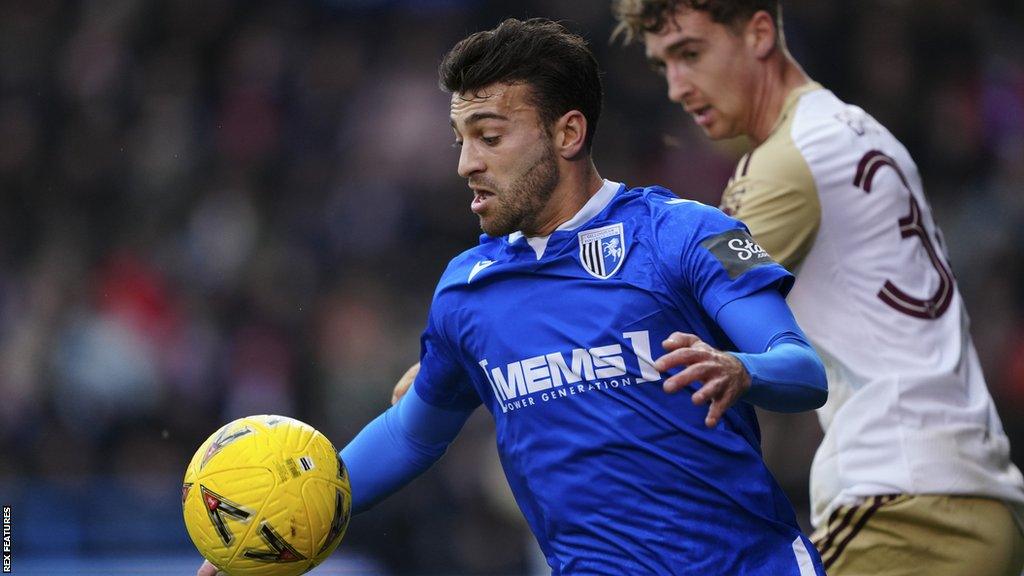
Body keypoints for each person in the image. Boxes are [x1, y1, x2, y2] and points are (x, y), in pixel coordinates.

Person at [194, 17, 828, 576]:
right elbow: (414, 433)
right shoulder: (466, 291)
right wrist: (277, 521)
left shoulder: (693, 232)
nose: (467, 163)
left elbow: (802, 368)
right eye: (461, 140)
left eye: (489, 137)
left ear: (568, 133)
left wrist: (743, 369)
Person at [610, 1, 1024, 574]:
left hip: (901, 510)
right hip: (975, 500)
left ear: (758, 32)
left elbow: (672, 338)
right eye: (663, 66)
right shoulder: (858, 130)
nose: (678, 87)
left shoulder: (780, 168)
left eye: (690, 53)